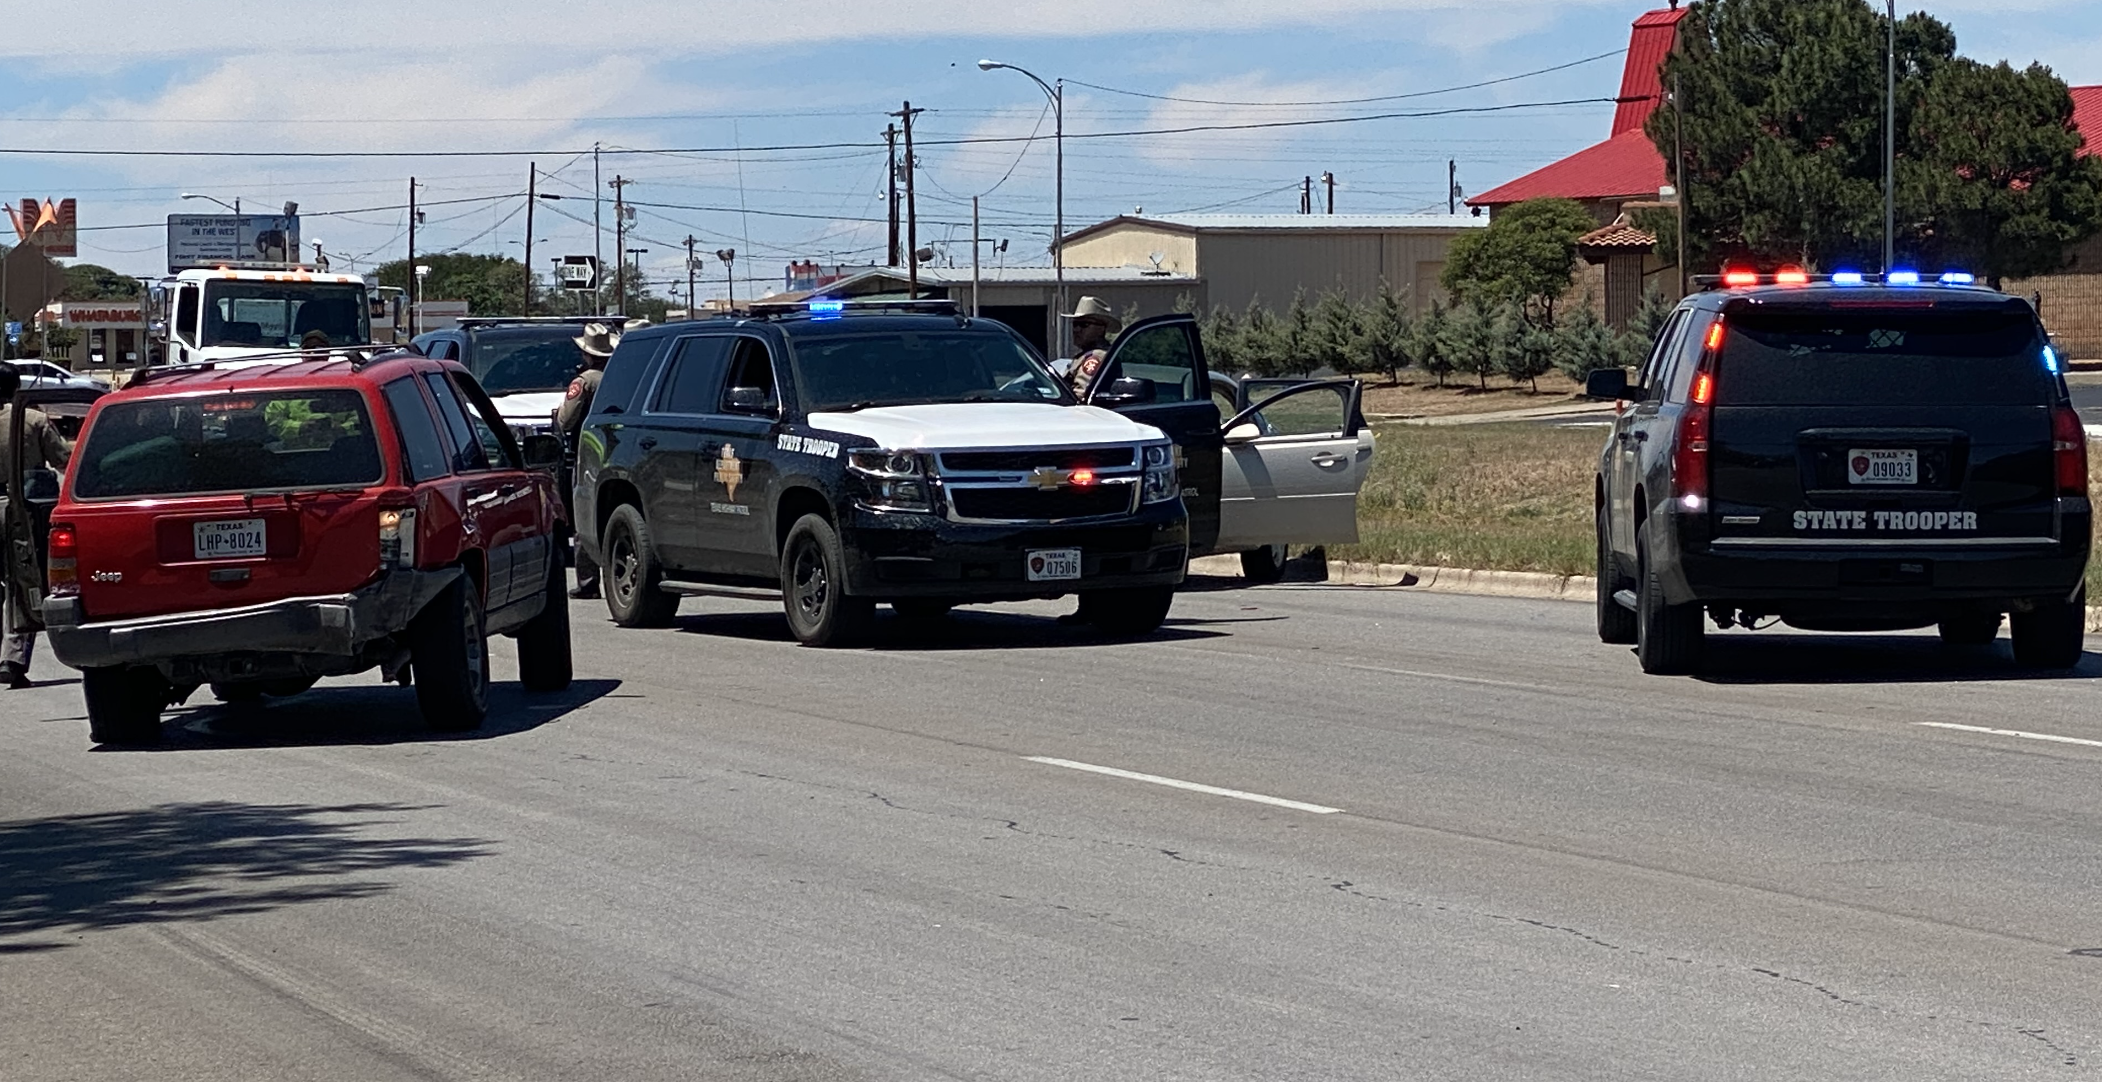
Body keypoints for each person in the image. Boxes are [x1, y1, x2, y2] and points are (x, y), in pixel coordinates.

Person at [0, 365, 75, 689]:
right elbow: (62, 459)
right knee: (23, 584)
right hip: (20, 512)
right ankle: (12, 660)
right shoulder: (32, 420)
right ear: (16, 387)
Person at [556, 322, 620, 599]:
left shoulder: (583, 382)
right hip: (617, 450)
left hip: (589, 452)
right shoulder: (621, 377)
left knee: (584, 514)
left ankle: (587, 580)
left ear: (586, 354)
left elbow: (566, 420)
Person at [1060, 296, 1122, 398]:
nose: (1076, 330)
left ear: (1101, 329)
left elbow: (1081, 395)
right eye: (1075, 324)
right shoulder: (1086, 355)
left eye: (1084, 324)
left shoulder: (1097, 356)